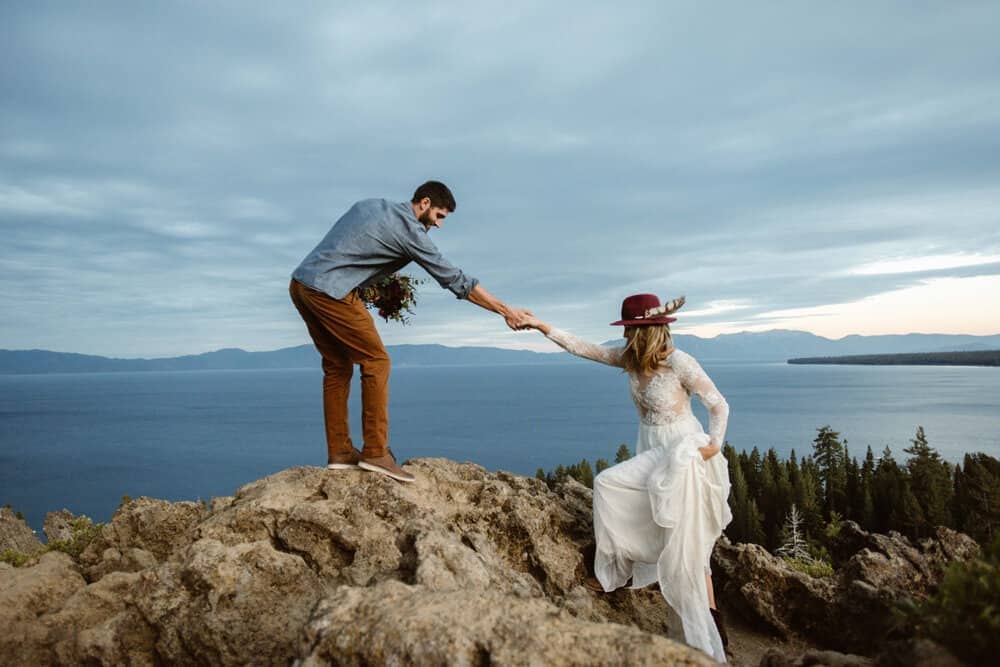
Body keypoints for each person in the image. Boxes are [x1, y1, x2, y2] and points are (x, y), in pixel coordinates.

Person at [523, 294, 732, 662]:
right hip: (654, 450)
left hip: (685, 453)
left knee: (692, 548)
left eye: (632, 330)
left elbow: (718, 404)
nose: (628, 337)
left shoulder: (679, 362)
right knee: (611, 487)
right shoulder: (630, 360)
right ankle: (616, 570)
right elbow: (583, 348)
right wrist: (542, 326)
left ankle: (714, 632)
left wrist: (712, 446)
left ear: (646, 330)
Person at [290, 181, 532, 483]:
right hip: (331, 292)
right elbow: (455, 279)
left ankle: (339, 452)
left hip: (301, 285)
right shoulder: (410, 231)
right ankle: (376, 452)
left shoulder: (371, 204)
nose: (439, 225)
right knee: (377, 361)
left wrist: (368, 284)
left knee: (337, 367)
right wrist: (506, 310)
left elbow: (352, 247)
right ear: (425, 202)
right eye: (439, 216)